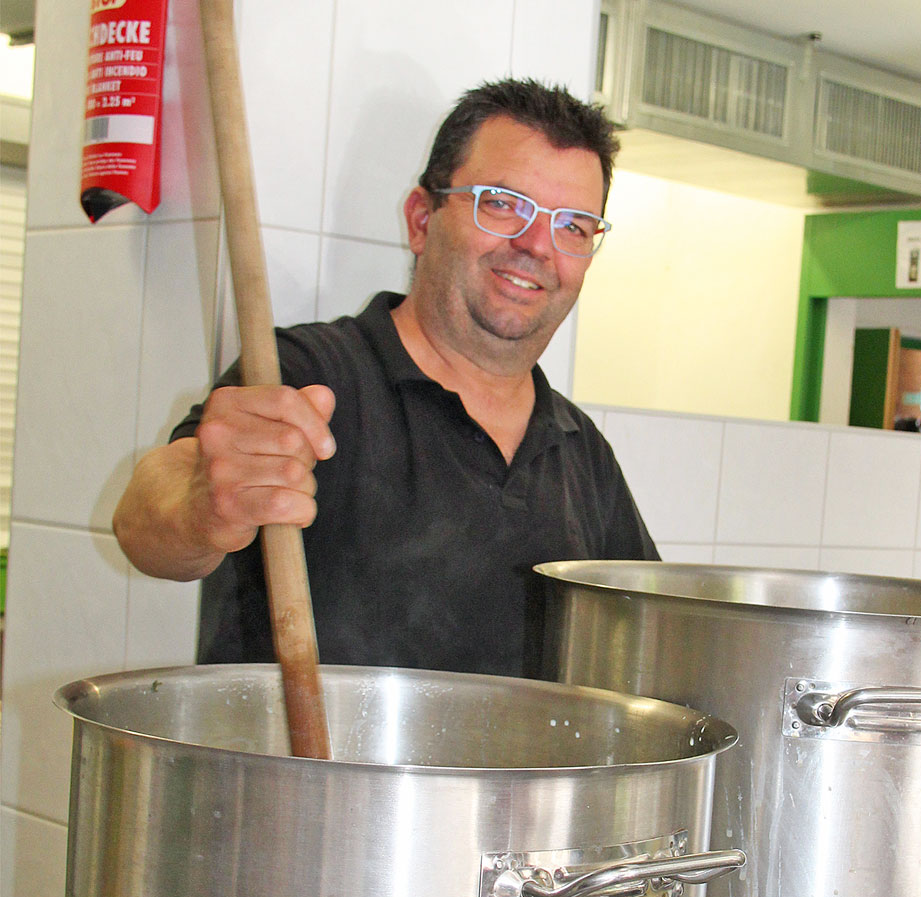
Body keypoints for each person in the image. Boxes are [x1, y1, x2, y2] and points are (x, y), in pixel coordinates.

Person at [113, 78, 657, 677]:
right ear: (422, 219)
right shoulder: (307, 376)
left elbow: (650, 632)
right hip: (308, 744)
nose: (537, 245)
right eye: (503, 204)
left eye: (573, 226)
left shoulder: (581, 452)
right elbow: (146, 523)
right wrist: (199, 505)